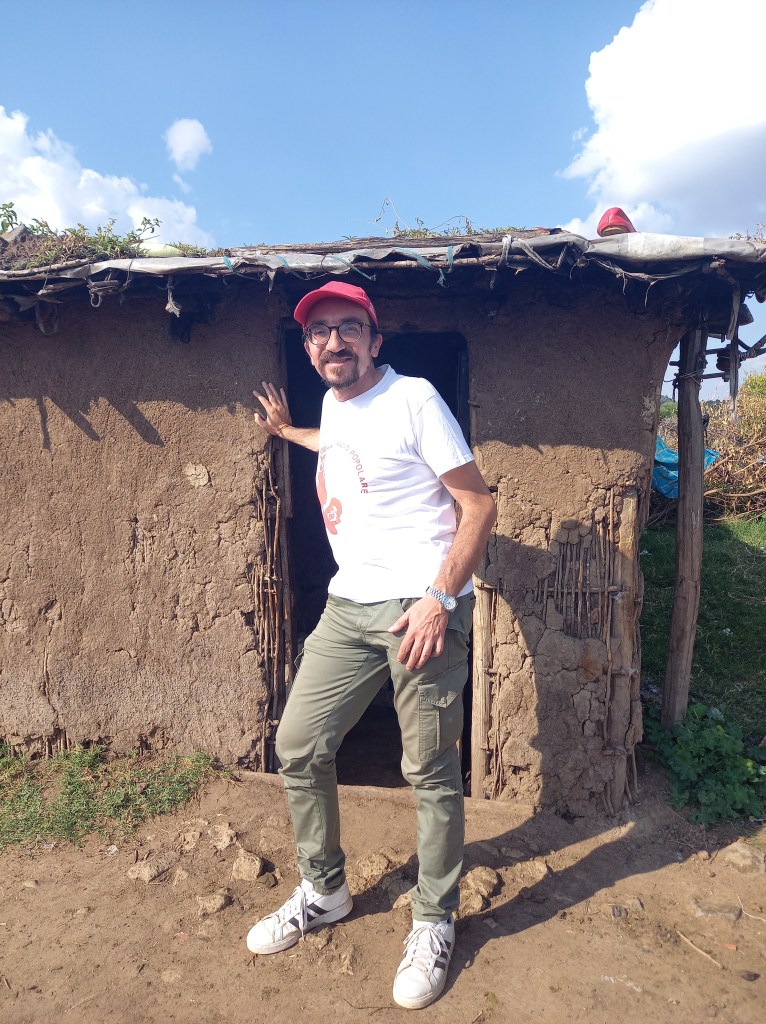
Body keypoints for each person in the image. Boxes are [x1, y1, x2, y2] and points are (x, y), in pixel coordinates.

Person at [248, 280, 496, 1010]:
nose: (334, 341)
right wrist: (287, 433)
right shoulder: (335, 404)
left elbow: (479, 504)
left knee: (429, 769)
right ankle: (324, 890)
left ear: (375, 339)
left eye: (348, 328)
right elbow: (340, 443)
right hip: (348, 605)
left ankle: (434, 917)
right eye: (319, 331)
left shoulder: (414, 398)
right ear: (308, 347)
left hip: (421, 608)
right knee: (299, 744)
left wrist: (439, 599)